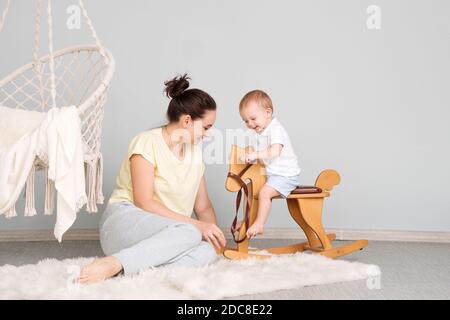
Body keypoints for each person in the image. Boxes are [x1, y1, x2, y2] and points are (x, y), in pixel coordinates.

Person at [79, 74, 226, 283]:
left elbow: (203, 207)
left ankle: (135, 270)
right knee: (191, 232)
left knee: (207, 252)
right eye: (206, 127)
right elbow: (144, 202)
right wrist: (199, 228)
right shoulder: (146, 142)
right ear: (187, 121)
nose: (208, 134)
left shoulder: (195, 155)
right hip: (125, 224)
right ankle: (114, 263)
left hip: (170, 235)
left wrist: (214, 237)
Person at [238, 90, 301, 238]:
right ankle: (247, 218)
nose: (250, 124)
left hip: (286, 175)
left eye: (253, 118)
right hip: (272, 174)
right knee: (249, 188)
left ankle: (260, 223)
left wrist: (255, 154)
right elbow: (264, 156)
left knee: (264, 193)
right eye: (245, 121)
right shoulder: (261, 132)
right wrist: (252, 158)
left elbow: (274, 152)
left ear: (268, 112)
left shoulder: (276, 129)